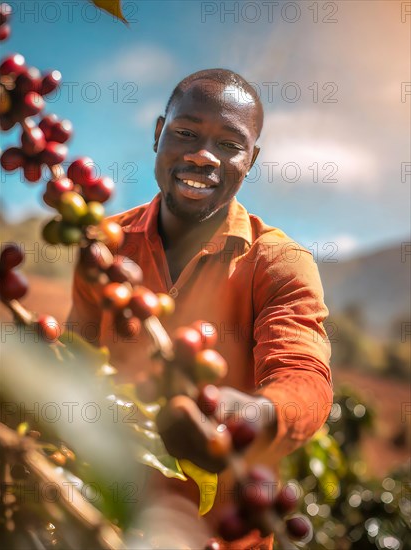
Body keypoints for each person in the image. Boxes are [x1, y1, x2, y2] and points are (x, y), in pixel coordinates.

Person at [66, 68, 333, 549]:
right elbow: (75, 353)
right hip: (100, 523)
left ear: (251, 159)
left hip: (219, 537)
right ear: (156, 135)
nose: (202, 155)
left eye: (230, 144)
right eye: (186, 132)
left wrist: (253, 413)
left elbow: (306, 375)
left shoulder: (279, 263)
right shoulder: (103, 246)